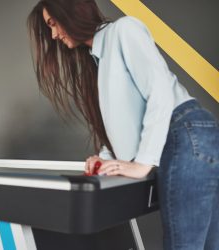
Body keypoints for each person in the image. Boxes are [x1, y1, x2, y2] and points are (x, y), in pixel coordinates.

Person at [27, 0, 218, 249]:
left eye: (53, 24)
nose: (53, 35)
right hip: (194, 139)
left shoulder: (123, 30)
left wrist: (142, 164)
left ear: (71, 11)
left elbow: (160, 90)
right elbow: (128, 118)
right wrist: (105, 158)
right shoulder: (98, 60)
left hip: (185, 134)